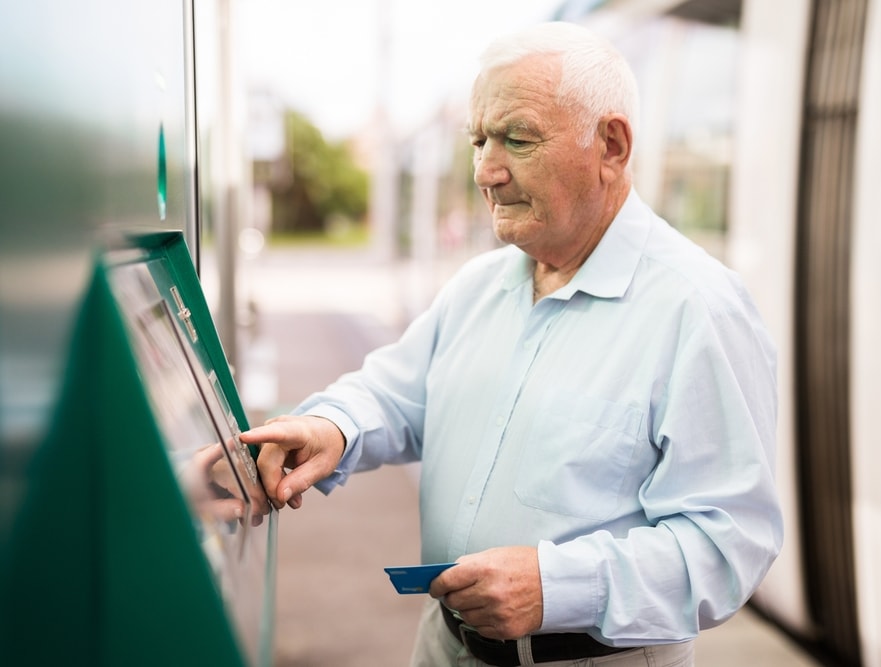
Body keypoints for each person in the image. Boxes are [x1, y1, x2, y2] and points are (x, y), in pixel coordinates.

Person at [241, 20, 782, 667]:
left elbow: (730, 545)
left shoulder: (697, 307)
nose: (486, 171)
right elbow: (396, 393)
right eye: (478, 140)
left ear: (611, 145)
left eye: (517, 139)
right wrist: (331, 425)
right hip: (443, 645)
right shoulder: (481, 285)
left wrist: (557, 588)